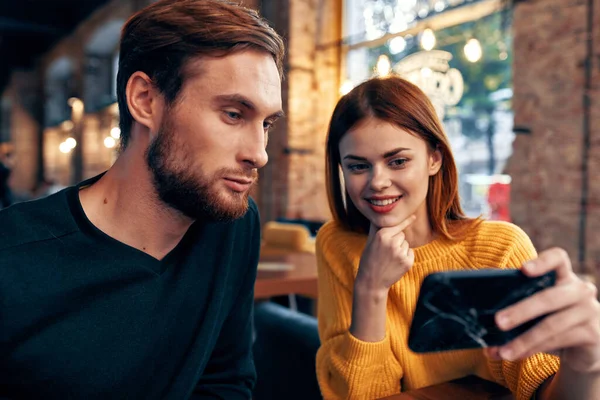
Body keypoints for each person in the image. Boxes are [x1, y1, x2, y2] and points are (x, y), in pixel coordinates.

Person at [0, 0, 284, 398]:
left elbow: (225, 379)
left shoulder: (233, 224)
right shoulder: (12, 259)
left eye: (267, 123)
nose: (260, 153)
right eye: (234, 114)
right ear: (145, 99)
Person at [316, 75, 600, 400]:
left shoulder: (498, 249)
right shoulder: (336, 242)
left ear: (434, 159)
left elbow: (541, 388)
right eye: (358, 167)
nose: (378, 181)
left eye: (398, 161)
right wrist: (370, 289)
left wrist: (586, 367)